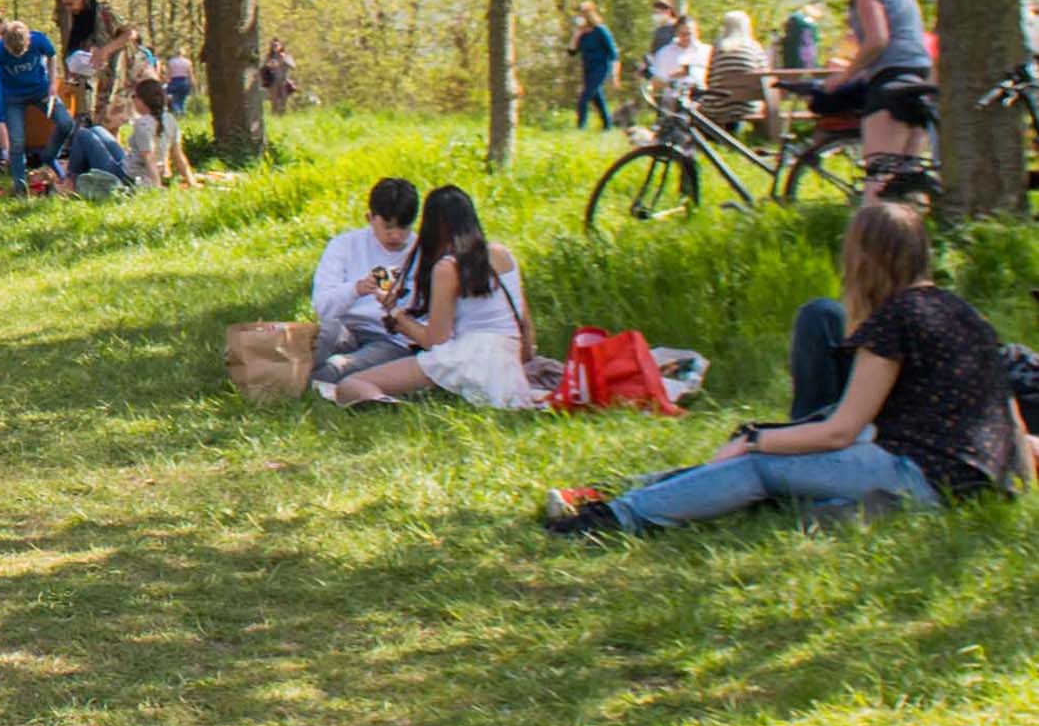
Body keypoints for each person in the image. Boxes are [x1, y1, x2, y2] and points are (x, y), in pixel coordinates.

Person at [548, 204, 1031, 537]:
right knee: (783, 466)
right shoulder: (964, 311)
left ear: (863, 259)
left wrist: (757, 441)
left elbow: (839, 431)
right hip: (977, 481)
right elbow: (1007, 413)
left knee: (761, 467)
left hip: (921, 473)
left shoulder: (897, 319)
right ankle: (844, 510)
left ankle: (615, 517)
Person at [330, 185, 533, 409]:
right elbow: (526, 329)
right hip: (509, 364)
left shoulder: (447, 268)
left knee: (352, 384)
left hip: (468, 357)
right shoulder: (503, 254)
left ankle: (389, 406)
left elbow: (435, 342)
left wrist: (396, 315)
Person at [793, 0, 934, 158]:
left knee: (878, 170)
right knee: (905, 172)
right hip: (917, 71)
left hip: (891, 76)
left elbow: (877, 40)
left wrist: (844, 77)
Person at [308, 176, 422, 390]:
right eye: (388, 226)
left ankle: (301, 382)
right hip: (346, 328)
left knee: (335, 370)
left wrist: (395, 308)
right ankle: (286, 372)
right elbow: (322, 306)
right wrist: (355, 289)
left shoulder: (423, 253)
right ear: (370, 218)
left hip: (391, 339)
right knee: (318, 339)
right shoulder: (345, 245)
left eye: (403, 227)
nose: (396, 235)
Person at [0, 20, 59, 195]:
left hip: (40, 90)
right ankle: (19, 185)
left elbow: (52, 55)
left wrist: (53, 84)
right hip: (13, 97)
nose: (17, 57)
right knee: (16, 140)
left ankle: (49, 156)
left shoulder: (38, 40)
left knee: (65, 122)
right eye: (12, 53)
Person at [698, 10, 773, 133]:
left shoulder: (719, 47)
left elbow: (709, 79)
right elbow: (765, 76)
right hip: (749, 106)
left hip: (719, 105)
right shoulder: (755, 47)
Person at [120, 78, 192, 189]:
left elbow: (149, 157)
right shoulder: (170, 119)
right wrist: (190, 180)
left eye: (134, 96)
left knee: (90, 135)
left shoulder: (142, 124)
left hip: (133, 175)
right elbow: (177, 154)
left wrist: (157, 185)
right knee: (99, 132)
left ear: (142, 100)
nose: (133, 100)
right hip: (154, 169)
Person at [570, 5, 620, 128]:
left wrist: (615, 74)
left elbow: (613, 52)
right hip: (587, 68)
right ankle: (607, 125)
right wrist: (576, 36)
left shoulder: (600, 30)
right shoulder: (581, 33)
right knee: (597, 98)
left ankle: (580, 127)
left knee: (584, 98)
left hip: (601, 68)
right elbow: (571, 52)